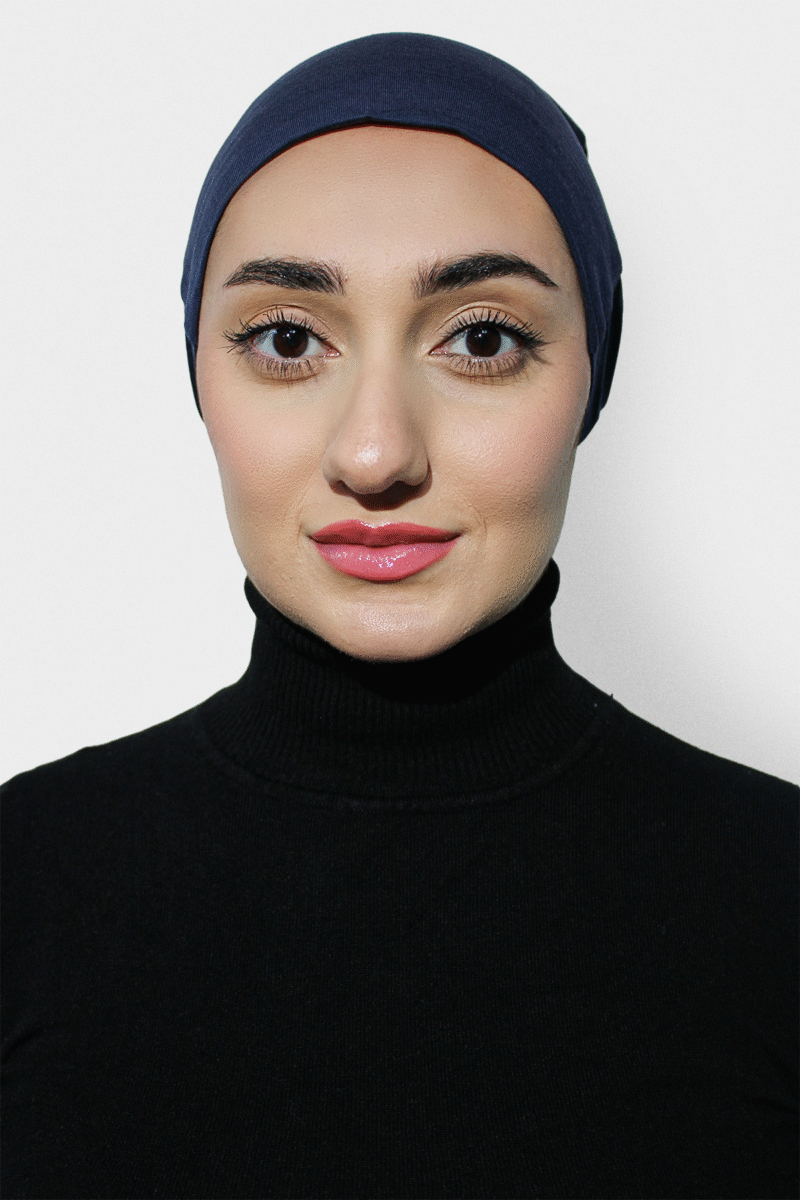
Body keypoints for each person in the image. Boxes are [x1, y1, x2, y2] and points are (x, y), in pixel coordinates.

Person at [2, 32, 796, 1200]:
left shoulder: (776, 900)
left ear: (590, 376)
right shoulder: (23, 887)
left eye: (481, 339)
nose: (375, 453)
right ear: (199, 378)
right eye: (287, 340)